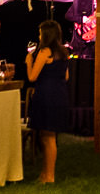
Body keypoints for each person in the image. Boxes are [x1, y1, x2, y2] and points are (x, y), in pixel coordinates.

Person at [27, 19, 72, 184]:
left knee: (48, 138)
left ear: (45, 35)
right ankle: (44, 174)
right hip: (59, 95)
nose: (39, 36)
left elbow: (32, 76)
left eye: (40, 33)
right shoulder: (64, 52)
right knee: (48, 136)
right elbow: (66, 77)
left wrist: (28, 62)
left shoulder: (44, 52)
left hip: (46, 95)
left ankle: (49, 176)